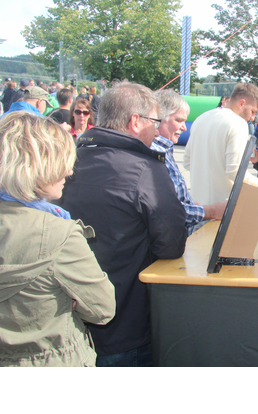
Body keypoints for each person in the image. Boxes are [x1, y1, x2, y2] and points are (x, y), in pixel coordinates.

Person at [58, 81, 188, 367]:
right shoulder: (145, 170)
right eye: (155, 122)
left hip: (69, 326)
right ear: (135, 122)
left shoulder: (66, 160)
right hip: (126, 326)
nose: (157, 130)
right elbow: (172, 244)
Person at [0, 112, 115, 366]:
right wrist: (68, 300)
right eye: (62, 163)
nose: (69, 172)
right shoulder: (59, 234)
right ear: (37, 167)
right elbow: (102, 309)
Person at [151, 90, 226, 235]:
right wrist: (210, 211)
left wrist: (192, 207)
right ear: (157, 119)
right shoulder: (154, 153)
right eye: (179, 120)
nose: (184, 128)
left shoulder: (164, 150)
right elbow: (163, 209)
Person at [183, 83, 258, 206]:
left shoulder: (201, 118)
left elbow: (187, 162)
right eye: (253, 111)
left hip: (197, 205)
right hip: (222, 207)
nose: (253, 118)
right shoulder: (238, 123)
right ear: (242, 103)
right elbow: (234, 171)